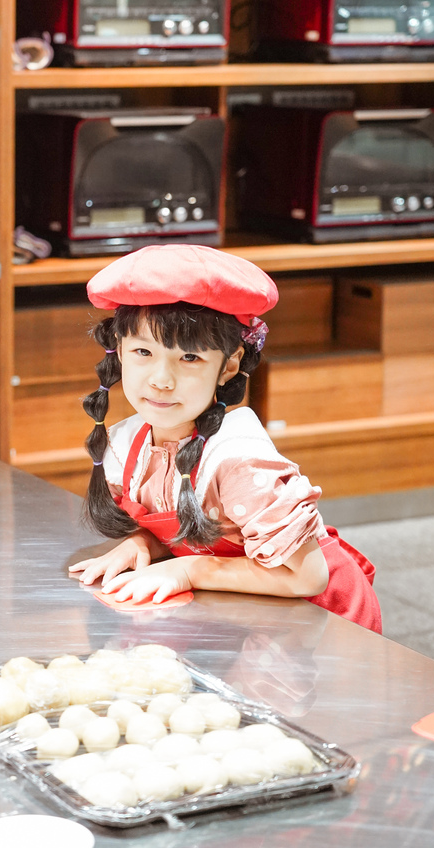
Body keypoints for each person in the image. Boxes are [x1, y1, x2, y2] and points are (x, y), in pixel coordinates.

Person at [68, 244, 382, 633]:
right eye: (143, 352)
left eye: (189, 358)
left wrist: (188, 571)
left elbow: (308, 577)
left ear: (229, 364)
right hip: (242, 614)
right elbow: (181, 527)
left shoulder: (237, 460)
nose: (161, 380)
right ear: (118, 352)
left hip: (319, 623)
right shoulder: (126, 442)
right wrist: (142, 545)